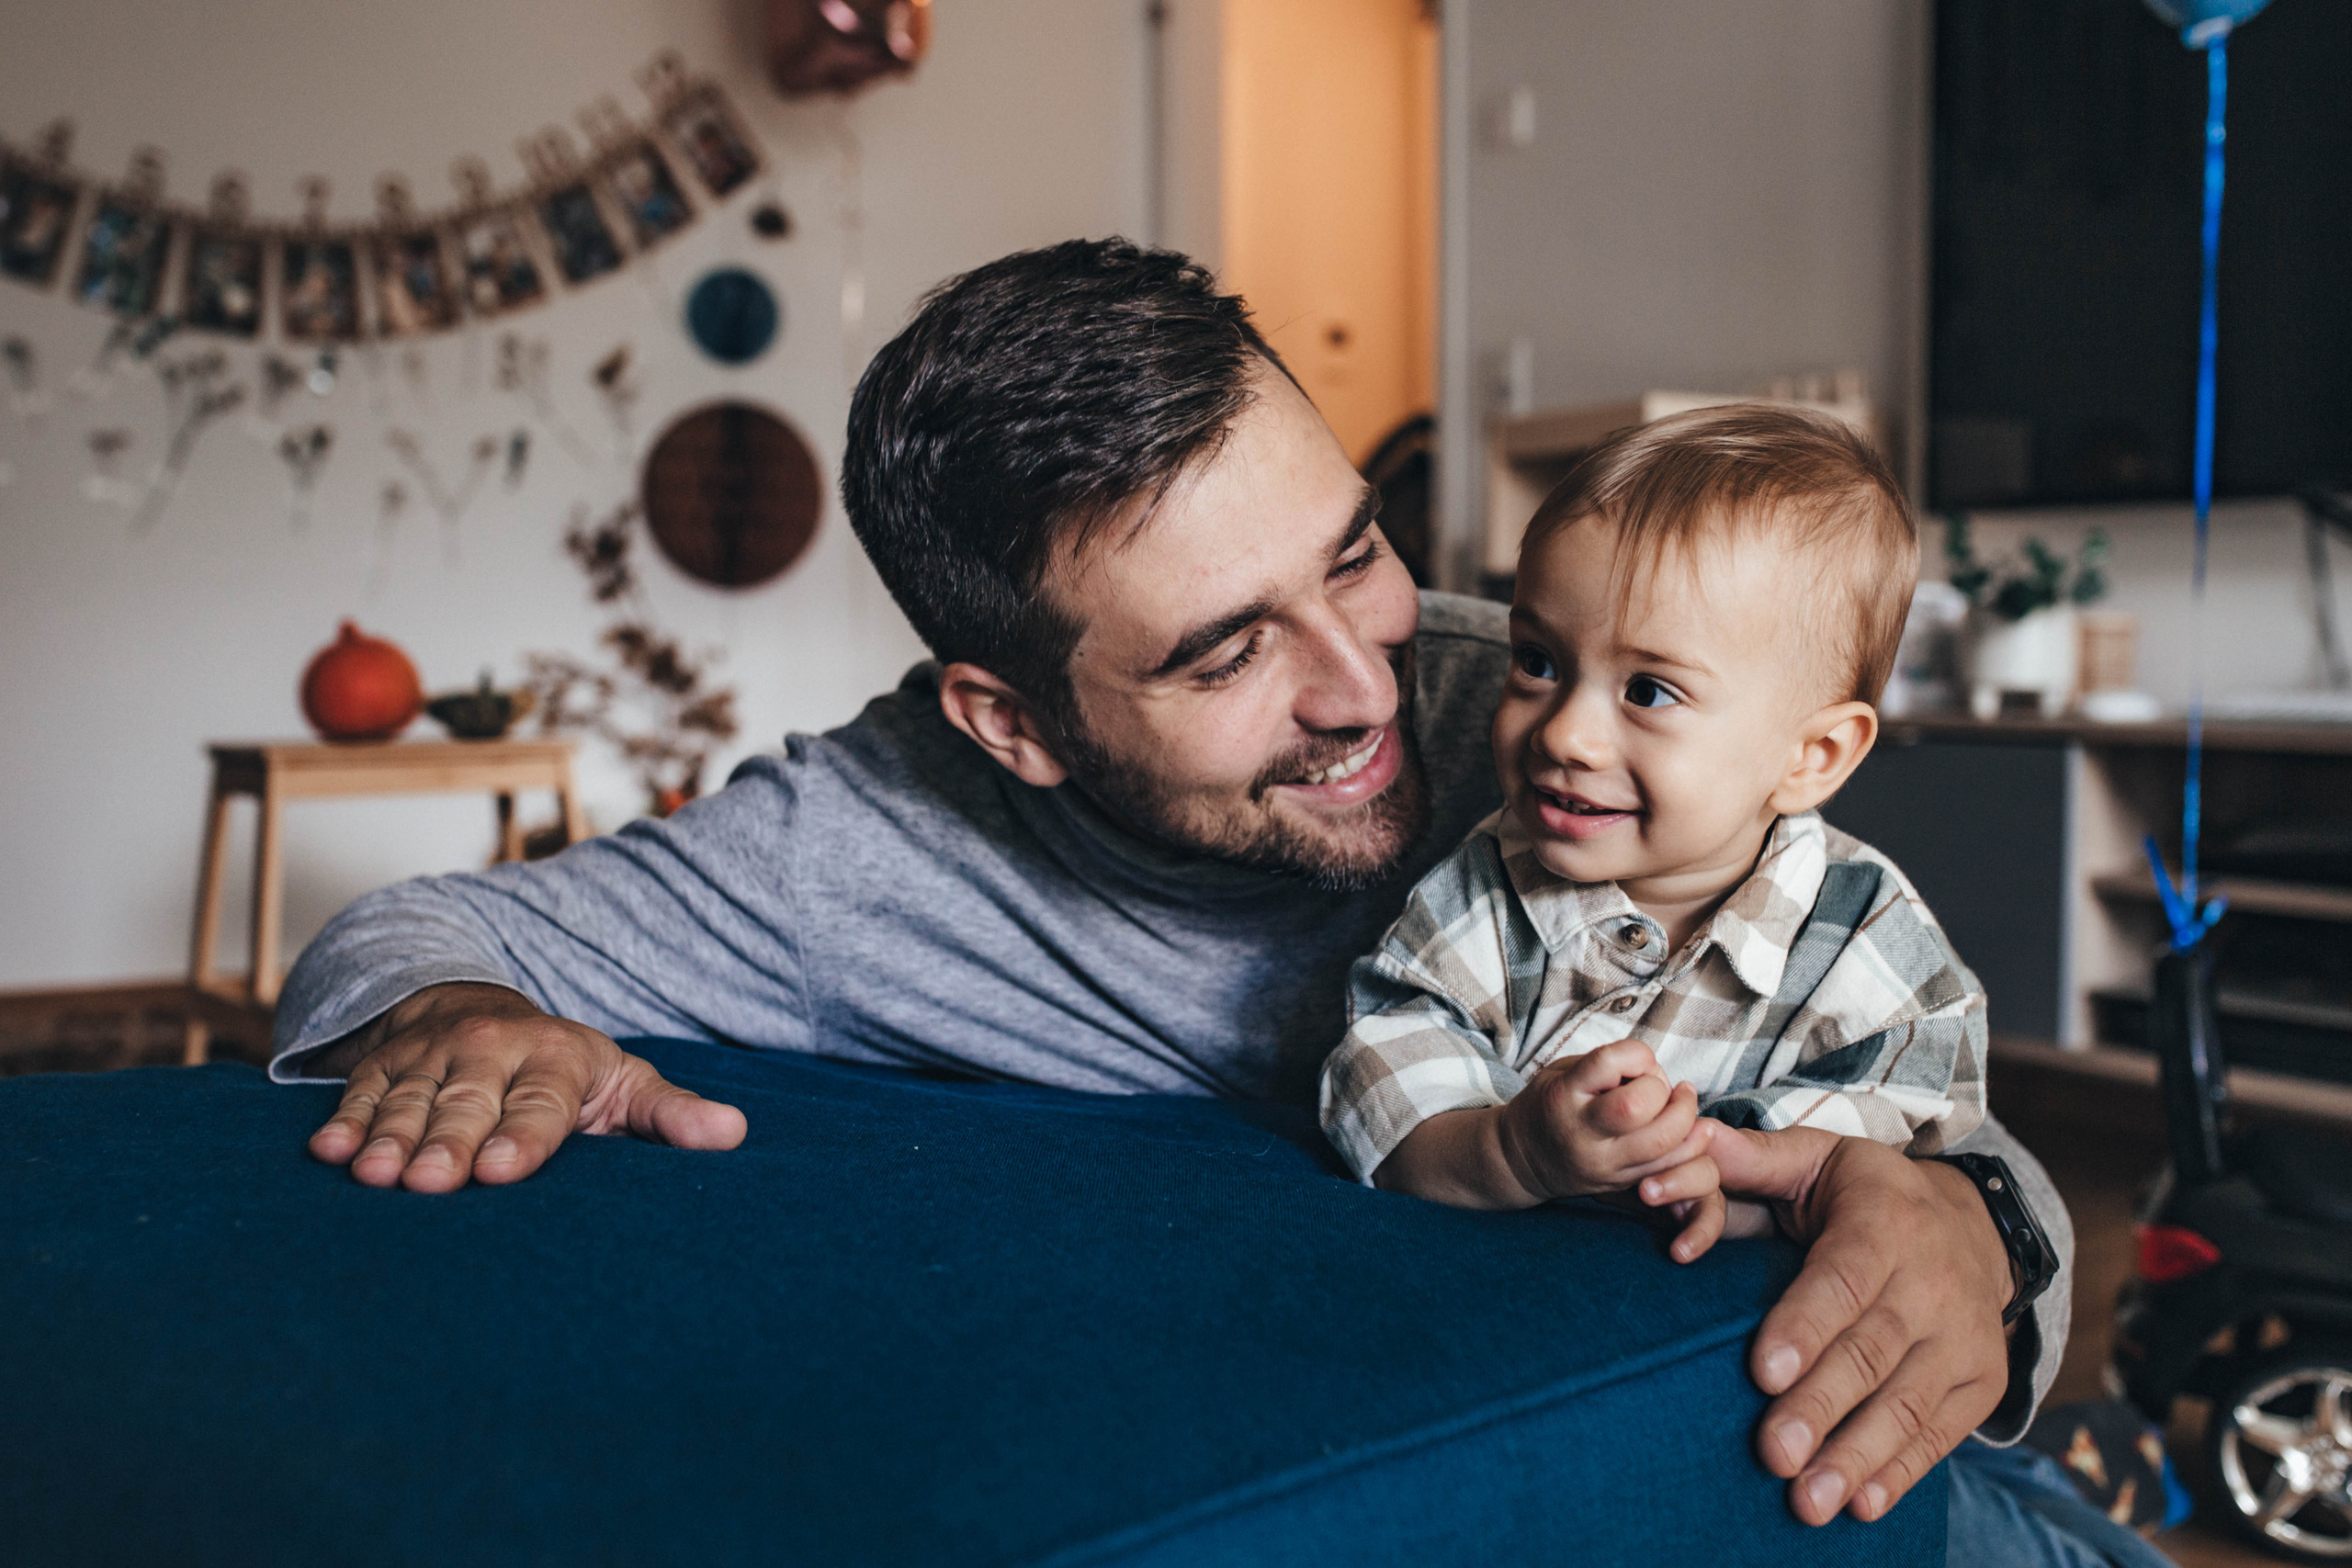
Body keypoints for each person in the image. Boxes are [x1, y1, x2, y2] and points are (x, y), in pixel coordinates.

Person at [271, 239, 2077, 1548]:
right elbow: (422, 934)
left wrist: (1970, 1231)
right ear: (1016, 719)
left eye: (1353, 553)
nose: (1369, 688)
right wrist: (453, 1016)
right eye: (1225, 653)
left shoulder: (1523, 699)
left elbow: (1918, 1091)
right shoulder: (863, 850)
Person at [1321, 406, 1984, 1269]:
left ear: (1812, 755)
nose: (1565, 735)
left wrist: (1750, 1176)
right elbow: (1382, 1070)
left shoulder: (1866, 937)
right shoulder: (1491, 881)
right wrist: (1513, 1150)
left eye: (1650, 691)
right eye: (1538, 661)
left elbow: (1921, 1117)